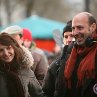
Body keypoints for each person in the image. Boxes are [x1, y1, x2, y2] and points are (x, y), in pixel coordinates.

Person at [63, 12, 97, 97]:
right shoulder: (68, 54)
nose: (75, 33)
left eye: (80, 28)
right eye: (73, 28)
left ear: (92, 27)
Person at [0, 33, 45, 97]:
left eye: (8, 48)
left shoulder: (25, 70)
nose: (6, 53)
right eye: (1, 50)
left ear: (14, 48)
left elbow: (38, 95)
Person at [42, 20, 74, 97]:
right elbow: (47, 92)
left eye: (72, 36)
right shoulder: (55, 65)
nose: (69, 40)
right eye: (66, 36)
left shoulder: (89, 61)